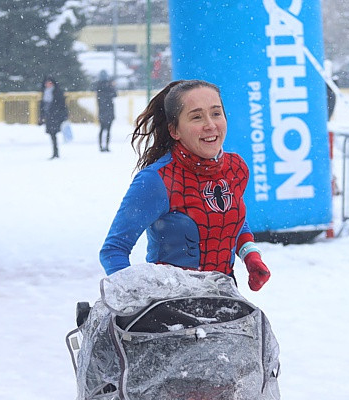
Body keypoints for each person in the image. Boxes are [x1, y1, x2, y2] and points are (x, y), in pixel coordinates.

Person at [100, 79, 270, 293]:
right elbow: (113, 250)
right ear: (174, 131)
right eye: (197, 117)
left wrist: (250, 255)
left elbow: (231, 216)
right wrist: (137, 300)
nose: (210, 125)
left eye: (216, 113)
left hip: (225, 300)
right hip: (170, 308)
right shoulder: (155, 180)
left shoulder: (236, 168)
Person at [40, 75, 68, 159]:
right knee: (52, 134)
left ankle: (55, 152)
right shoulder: (45, 93)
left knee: (53, 133)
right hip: (49, 116)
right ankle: (55, 152)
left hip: (55, 116)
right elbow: (42, 106)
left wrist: (62, 115)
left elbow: (62, 105)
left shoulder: (57, 92)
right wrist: (41, 116)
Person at [95, 70, 116, 152]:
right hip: (107, 110)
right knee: (107, 129)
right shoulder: (107, 86)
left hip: (103, 110)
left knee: (103, 129)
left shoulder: (99, 86)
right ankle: (105, 146)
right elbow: (114, 94)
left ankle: (102, 146)